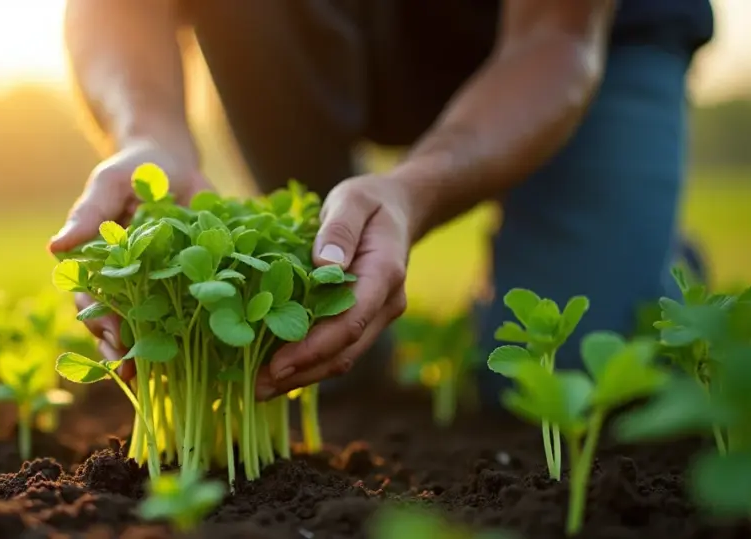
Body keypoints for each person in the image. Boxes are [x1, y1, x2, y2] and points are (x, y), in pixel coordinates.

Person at [49, 0, 714, 406]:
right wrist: (148, 130)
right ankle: (346, 297)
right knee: (300, 351)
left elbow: (555, 37)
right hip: (312, 19)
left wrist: (410, 193)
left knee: (565, 371)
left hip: (575, 41)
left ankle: (650, 259)